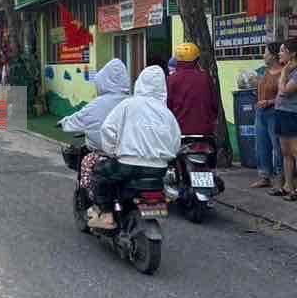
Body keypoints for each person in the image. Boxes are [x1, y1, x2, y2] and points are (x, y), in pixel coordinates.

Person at [89, 65, 182, 229]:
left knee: (99, 173)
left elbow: (108, 129)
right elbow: (176, 142)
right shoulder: (167, 113)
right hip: (158, 169)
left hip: (127, 165)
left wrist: (112, 151)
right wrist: (164, 159)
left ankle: (106, 215)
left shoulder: (127, 105)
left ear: (140, 83)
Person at [60, 59, 131, 205]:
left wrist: (63, 123)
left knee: (87, 163)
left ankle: (93, 201)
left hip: (105, 154)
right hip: (131, 156)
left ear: (103, 81)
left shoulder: (96, 105)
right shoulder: (133, 101)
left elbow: (78, 119)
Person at [167, 42, 219, 135]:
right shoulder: (205, 78)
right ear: (197, 59)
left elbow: (168, 106)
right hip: (205, 132)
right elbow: (214, 104)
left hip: (179, 132)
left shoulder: (171, 79)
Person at [252, 42, 284, 191]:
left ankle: (280, 177)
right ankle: (265, 176)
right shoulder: (264, 72)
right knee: (261, 145)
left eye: (266, 53)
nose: (263, 55)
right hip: (261, 112)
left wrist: (269, 102)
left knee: (277, 147)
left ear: (273, 56)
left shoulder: (284, 73)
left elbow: (286, 96)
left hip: (275, 113)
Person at [275, 39, 297, 201]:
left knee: (295, 152)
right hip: (282, 113)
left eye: (283, 51)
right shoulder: (288, 70)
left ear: (293, 54)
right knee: (285, 152)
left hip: (292, 114)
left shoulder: (293, 72)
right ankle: (288, 186)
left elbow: (284, 91)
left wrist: (283, 73)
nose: (279, 53)